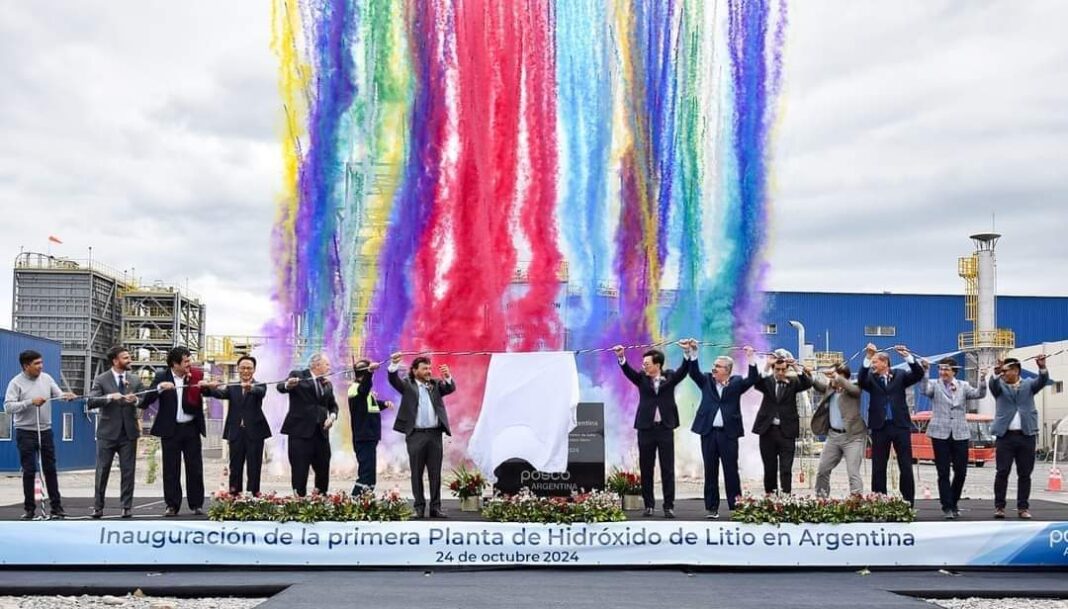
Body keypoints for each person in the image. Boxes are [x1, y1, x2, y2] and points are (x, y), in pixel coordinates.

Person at [612, 344, 691, 518]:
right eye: (644, 363)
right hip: (645, 429)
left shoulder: (670, 377)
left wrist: (686, 352)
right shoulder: (641, 378)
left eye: (647, 363)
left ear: (658, 365)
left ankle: (668, 505)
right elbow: (628, 372)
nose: (644, 366)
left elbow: (684, 371)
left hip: (665, 428)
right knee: (646, 468)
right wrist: (621, 357)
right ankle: (649, 505)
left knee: (667, 468)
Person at [683, 339, 758, 519]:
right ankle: (711, 508)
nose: (714, 368)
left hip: (728, 434)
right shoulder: (707, 380)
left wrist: (751, 358)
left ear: (728, 370)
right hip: (708, 433)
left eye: (718, 366)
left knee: (731, 470)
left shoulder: (736, 383)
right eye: (714, 365)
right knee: (710, 471)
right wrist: (692, 353)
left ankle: (736, 507)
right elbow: (693, 373)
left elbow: (753, 379)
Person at [3, 350, 75, 520]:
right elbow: (8, 407)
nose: (40, 366)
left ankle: (56, 508)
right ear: (26, 366)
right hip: (25, 431)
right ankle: (29, 509)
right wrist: (30, 402)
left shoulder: (47, 378)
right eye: (36, 364)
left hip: (45, 431)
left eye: (41, 363)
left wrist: (67, 396)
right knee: (29, 470)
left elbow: (58, 395)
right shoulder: (16, 383)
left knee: (50, 469)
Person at [142, 346, 208, 516]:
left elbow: (207, 390)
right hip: (171, 430)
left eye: (189, 360)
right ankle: (172, 505)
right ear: (174, 363)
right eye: (186, 361)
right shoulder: (161, 377)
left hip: (191, 428)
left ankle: (196, 504)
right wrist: (159, 388)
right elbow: (146, 400)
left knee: (195, 468)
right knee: (171, 469)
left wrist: (208, 386)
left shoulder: (195, 375)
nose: (189, 364)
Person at [389, 352, 455, 519]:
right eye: (424, 369)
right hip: (416, 435)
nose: (428, 371)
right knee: (416, 473)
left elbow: (450, 388)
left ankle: (436, 507)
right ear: (414, 371)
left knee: (435, 473)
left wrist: (447, 377)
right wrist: (394, 365)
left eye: (429, 368)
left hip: (434, 435)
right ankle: (419, 507)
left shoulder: (435, 385)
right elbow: (393, 380)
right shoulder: (408, 385)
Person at [858, 343, 925, 506]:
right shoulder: (871, 379)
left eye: (875, 362)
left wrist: (907, 356)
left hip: (900, 425)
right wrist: (868, 357)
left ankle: (907, 502)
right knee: (878, 467)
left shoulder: (900, 376)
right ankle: (880, 501)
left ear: (885, 363)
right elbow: (861, 379)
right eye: (872, 362)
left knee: (906, 465)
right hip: (880, 427)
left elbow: (918, 374)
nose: (873, 365)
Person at [920, 357, 987, 519]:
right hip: (939, 433)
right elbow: (924, 390)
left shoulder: (963, 386)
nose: (943, 372)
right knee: (942, 472)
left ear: (954, 371)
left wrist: (983, 379)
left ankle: (954, 501)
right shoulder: (935, 385)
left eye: (946, 369)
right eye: (941, 369)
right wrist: (925, 371)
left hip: (960, 433)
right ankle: (947, 506)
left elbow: (979, 394)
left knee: (961, 471)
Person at [87, 346, 146, 519]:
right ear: (115, 361)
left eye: (129, 357)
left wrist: (135, 400)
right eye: (126, 358)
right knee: (102, 470)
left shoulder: (135, 380)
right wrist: (109, 397)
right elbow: (91, 401)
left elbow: (144, 400)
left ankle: (126, 507)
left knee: (128, 471)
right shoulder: (101, 379)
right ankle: (98, 507)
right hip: (107, 432)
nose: (130, 360)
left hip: (129, 433)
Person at [989, 354, 1048, 519]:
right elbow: (992, 385)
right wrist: (995, 372)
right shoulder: (999, 386)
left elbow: (1042, 381)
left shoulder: (1028, 385)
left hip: (1026, 435)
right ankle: (999, 506)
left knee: (1025, 473)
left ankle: (1023, 507)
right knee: (1002, 471)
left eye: (1006, 370)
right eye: (1003, 371)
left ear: (1015, 371)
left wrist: (1042, 367)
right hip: (1005, 437)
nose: (1004, 373)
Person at [204, 355, 270, 495]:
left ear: (254, 370)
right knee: (235, 466)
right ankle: (234, 495)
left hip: (255, 432)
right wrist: (208, 388)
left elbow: (260, 393)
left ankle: (253, 495)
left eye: (249, 368)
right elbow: (220, 394)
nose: (246, 371)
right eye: (243, 368)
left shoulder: (260, 385)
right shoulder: (232, 386)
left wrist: (249, 388)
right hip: (236, 432)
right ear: (238, 370)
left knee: (254, 466)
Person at [278, 353, 339, 496]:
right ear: (317, 365)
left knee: (323, 468)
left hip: (321, 433)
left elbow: (333, 406)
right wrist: (288, 385)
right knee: (300, 469)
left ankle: (321, 497)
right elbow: (281, 387)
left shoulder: (327, 384)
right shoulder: (299, 375)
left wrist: (332, 417)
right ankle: (299, 499)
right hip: (300, 432)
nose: (329, 367)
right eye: (327, 364)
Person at [752, 355, 813, 494]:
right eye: (777, 369)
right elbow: (756, 382)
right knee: (770, 468)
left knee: (786, 468)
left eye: (783, 370)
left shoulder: (793, 383)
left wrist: (795, 366)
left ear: (786, 370)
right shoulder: (767, 382)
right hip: (768, 431)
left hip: (787, 432)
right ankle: (771, 496)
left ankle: (786, 496)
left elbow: (807, 383)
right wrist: (767, 365)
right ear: (773, 370)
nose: (780, 373)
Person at [811, 363, 866, 497]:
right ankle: (821, 500)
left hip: (853, 437)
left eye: (836, 378)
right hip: (833, 437)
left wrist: (836, 375)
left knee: (853, 472)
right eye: (832, 378)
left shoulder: (853, 389)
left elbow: (854, 390)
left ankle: (856, 503)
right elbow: (815, 384)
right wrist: (803, 371)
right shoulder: (829, 390)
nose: (833, 381)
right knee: (823, 470)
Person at [348, 358, 392, 493]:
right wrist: (370, 373)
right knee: (366, 472)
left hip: (370, 436)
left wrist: (384, 404)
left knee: (370, 472)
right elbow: (363, 390)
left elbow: (369, 407)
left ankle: (366, 499)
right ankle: (356, 498)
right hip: (363, 436)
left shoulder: (365, 392)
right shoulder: (356, 389)